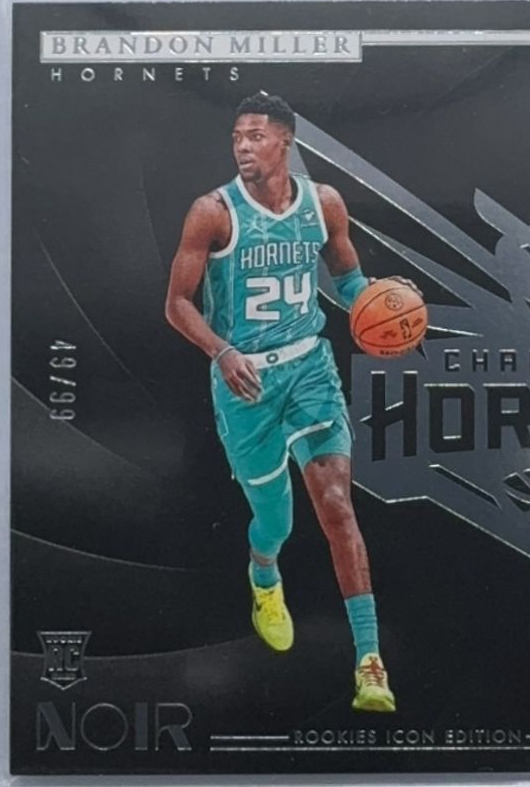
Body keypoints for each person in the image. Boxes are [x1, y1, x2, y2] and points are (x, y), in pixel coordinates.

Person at [166, 93, 399, 712]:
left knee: (337, 506)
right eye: (236, 137)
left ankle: (369, 662)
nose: (242, 146)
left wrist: (381, 304)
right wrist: (222, 351)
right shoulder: (213, 212)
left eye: (255, 136)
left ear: (285, 142)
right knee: (277, 522)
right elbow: (177, 304)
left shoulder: (324, 203)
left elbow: (348, 281)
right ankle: (264, 574)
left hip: (309, 370)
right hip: (246, 385)